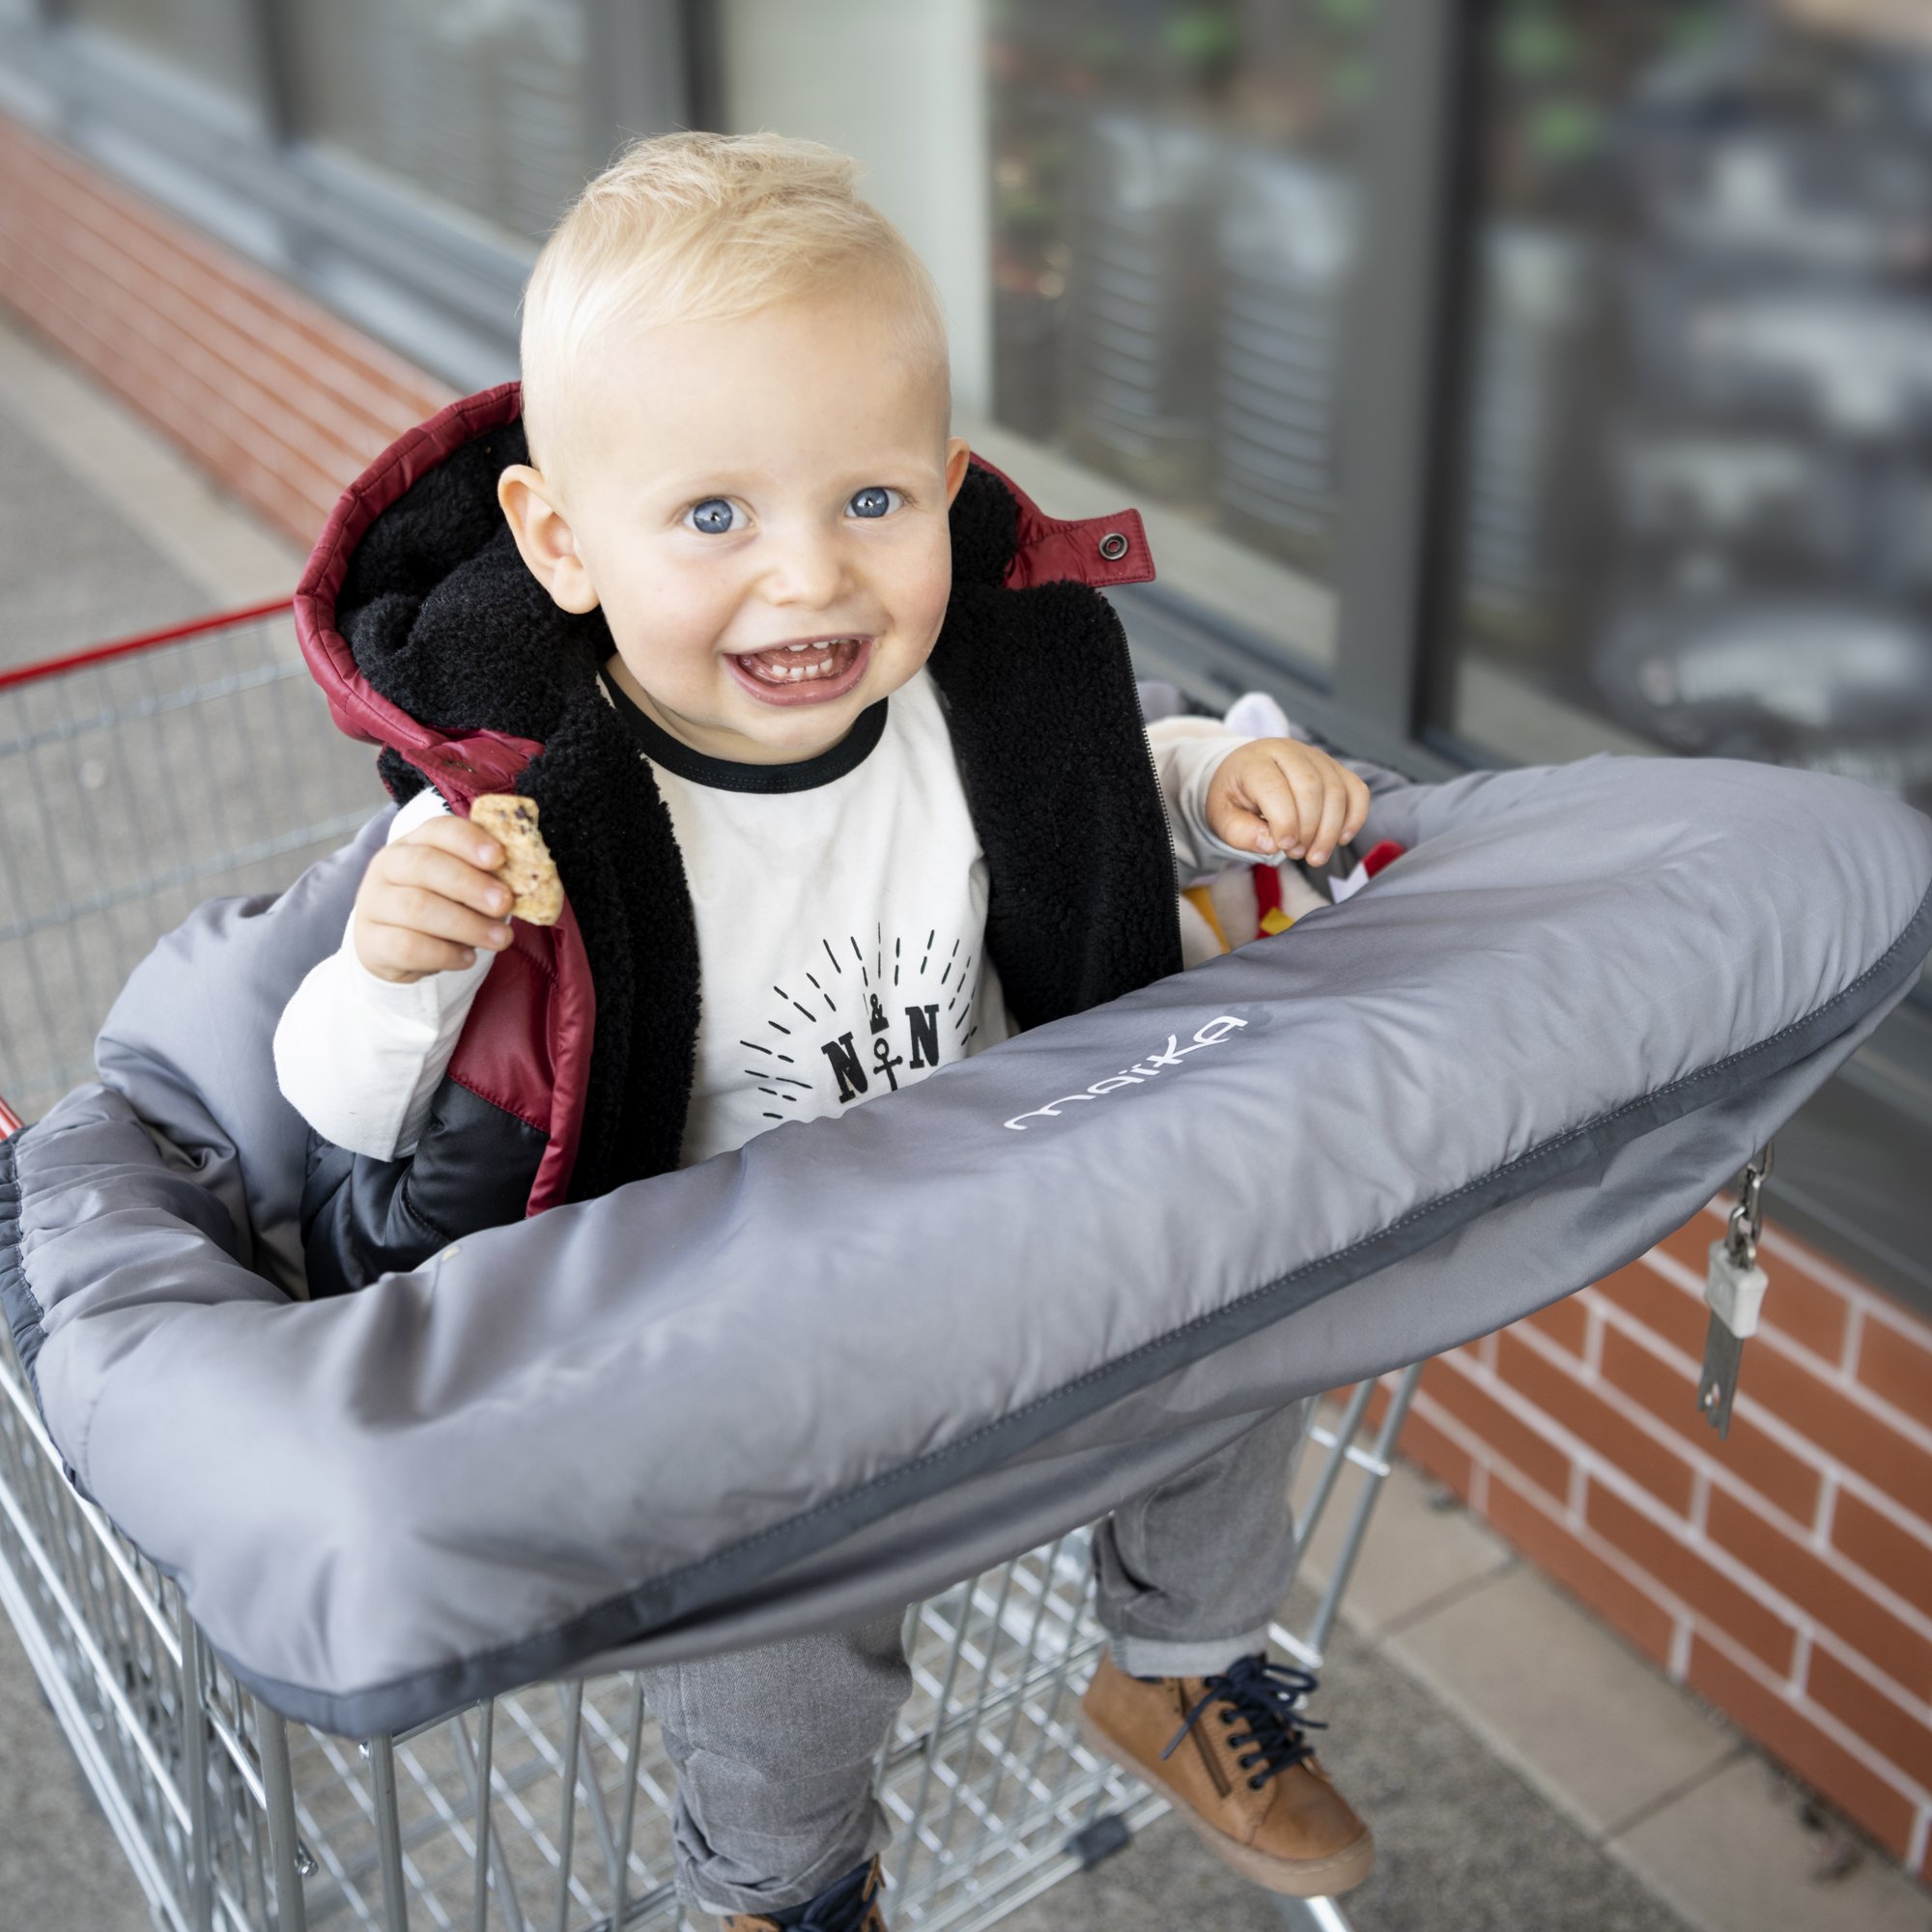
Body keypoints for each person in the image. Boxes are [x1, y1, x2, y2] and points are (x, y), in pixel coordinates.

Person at [274, 131, 1375, 1931]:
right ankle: (786, 1890)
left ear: (947, 492)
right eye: (714, 517)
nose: (809, 582)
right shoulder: (525, 819)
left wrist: (1224, 781)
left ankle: (1179, 1664)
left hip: (1020, 1214)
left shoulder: (974, 705)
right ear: (561, 540)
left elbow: (1105, 788)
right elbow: (336, 1101)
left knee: (1235, 1310)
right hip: (752, 1334)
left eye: (871, 504)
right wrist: (398, 967)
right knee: (788, 1600)